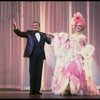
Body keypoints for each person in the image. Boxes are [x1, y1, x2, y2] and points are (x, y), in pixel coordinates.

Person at [51, 12, 100, 96]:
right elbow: (61, 38)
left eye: (80, 26)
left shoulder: (83, 37)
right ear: (74, 26)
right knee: (68, 73)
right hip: (70, 56)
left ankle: (74, 89)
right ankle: (67, 89)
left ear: (82, 27)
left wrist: (84, 53)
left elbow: (86, 46)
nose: (78, 27)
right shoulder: (70, 36)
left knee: (77, 74)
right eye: (77, 25)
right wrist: (54, 36)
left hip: (78, 57)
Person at [12, 20, 52, 95]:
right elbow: (20, 33)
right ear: (32, 27)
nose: (35, 26)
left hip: (40, 55)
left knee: (39, 73)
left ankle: (37, 90)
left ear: (39, 26)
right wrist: (15, 27)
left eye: (36, 25)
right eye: (33, 25)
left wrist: (51, 37)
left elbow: (49, 42)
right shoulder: (29, 33)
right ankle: (32, 90)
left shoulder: (43, 34)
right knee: (32, 72)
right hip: (32, 55)